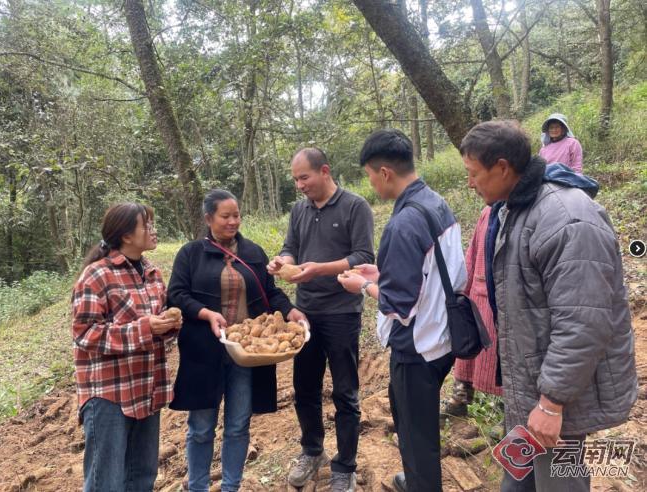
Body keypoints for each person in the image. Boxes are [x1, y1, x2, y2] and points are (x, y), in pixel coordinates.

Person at [460, 120, 637, 491]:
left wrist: (552, 404)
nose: (470, 183)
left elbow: (584, 322)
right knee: (518, 481)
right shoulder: (514, 207)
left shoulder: (567, 219)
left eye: (473, 174)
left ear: (503, 167)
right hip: (529, 389)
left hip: (561, 400)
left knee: (561, 482)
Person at [338, 129, 466, 492]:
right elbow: (438, 271)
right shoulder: (436, 203)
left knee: (416, 435)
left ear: (384, 173)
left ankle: (422, 483)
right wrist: (381, 273)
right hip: (443, 336)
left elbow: (399, 305)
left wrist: (361, 285)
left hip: (416, 347)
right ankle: (415, 479)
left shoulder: (402, 223)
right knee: (416, 421)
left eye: (368, 176)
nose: (372, 185)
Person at [168, 189, 306, 492]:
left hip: (247, 353)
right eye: (225, 216)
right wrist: (205, 313)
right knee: (201, 427)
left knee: (238, 425)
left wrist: (290, 310)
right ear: (208, 218)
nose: (233, 221)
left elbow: (270, 292)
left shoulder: (253, 252)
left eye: (237, 215)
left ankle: (231, 486)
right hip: (204, 352)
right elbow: (176, 295)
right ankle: (198, 487)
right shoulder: (191, 254)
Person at [267, 148, 374, 492]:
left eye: (304, 178)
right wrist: (282, 261)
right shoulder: (299, 210)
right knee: (305, 388)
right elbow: (290, 247)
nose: (299, 185)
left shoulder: (355, 206)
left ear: (325, 171)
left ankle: (345, 466)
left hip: (342, 312)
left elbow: (363, 255)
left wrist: (319, 269)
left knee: (345, 392)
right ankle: (312, 451)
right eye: (295, 179)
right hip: (306, 312)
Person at [72, 202, 182, 492]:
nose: (153, 230)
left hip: (146, 388)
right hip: (109, 394)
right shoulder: (96, 276)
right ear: (126, 236)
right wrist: (145, 327)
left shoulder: (152, 274)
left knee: (142, 477)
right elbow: (85, 334)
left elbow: (155, 331)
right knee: (105, 482)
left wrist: (168, 326)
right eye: (147, 225)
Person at [441, 207, 503, 431]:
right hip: (478, 291)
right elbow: (473, 253)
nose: (471, 184)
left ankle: (501, 412)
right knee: (466, 352)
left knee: (497, 357)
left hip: (500, 297)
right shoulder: (487, 213)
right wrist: (463, 290)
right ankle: (461, 398)